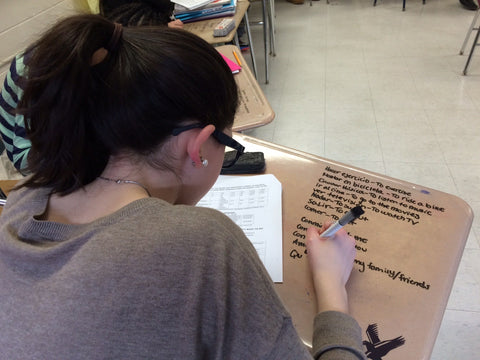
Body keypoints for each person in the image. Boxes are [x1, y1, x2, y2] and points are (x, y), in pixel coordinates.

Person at [0, 14, 365, 359]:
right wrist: (331, 289)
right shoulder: (202, 244)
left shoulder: (23, 197)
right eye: (228, 142)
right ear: (198, 145)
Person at [0, 1, 183, 175]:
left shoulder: (108, 47)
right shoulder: (39, 74)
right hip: (46, 162)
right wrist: (93, 137)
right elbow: (24, 161)